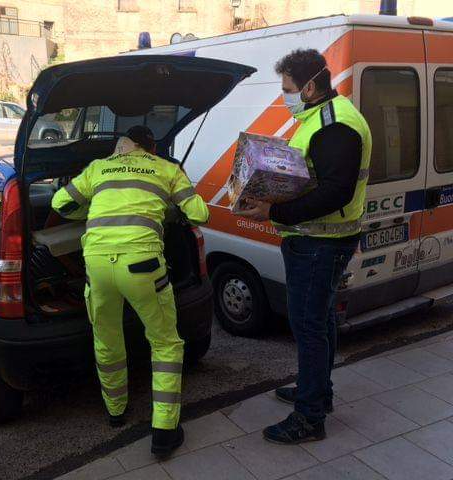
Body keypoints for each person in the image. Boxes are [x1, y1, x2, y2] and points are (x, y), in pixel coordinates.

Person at [239, 49, 372, 444]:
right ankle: (318, 391)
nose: (285, 97)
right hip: (316, 239)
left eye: (288, 89)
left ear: (310, 86)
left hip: (320, 242)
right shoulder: (320, 114)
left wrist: (275, 213)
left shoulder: (336, 125)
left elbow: (334, 191)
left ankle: (310, 417)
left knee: (308, 326)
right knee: (321, 319)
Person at [51, 125, 209, 457]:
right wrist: (171, 205)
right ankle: (165, 432)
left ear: (122, 147)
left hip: (96, 265)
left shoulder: (98, 168)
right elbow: (200, 214)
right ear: (150, 148)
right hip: (143, 268)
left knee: (107, 339)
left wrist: (91, 210)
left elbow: (60, 203)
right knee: (166, 344)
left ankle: (116, 412)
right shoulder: (166, 168)